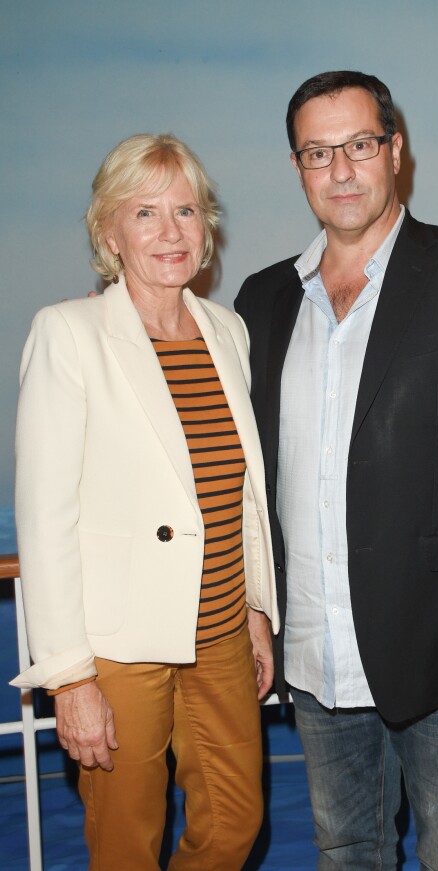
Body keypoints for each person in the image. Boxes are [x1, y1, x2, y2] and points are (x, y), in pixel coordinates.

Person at [235, 71, 438, 870]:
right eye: (319, 152)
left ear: (396, 150)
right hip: (313, 652)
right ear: (297, 166)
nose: (341, 169)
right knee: (345, 850)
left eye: (359, 145)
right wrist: (255, 607)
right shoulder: (263, 299)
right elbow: (249, 480)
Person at [11, 133, 279, 871]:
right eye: (147, 212)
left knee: (235, 820)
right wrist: (69, 677)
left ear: (207, 225)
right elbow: (45, 516)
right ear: (110, 232)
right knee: (127, 842)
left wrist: (257, 608)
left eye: (187, 210)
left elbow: (242, 493)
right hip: (117, 649)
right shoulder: (69, 334)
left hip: (221, 632)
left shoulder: (228, 331)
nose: (171, 231)